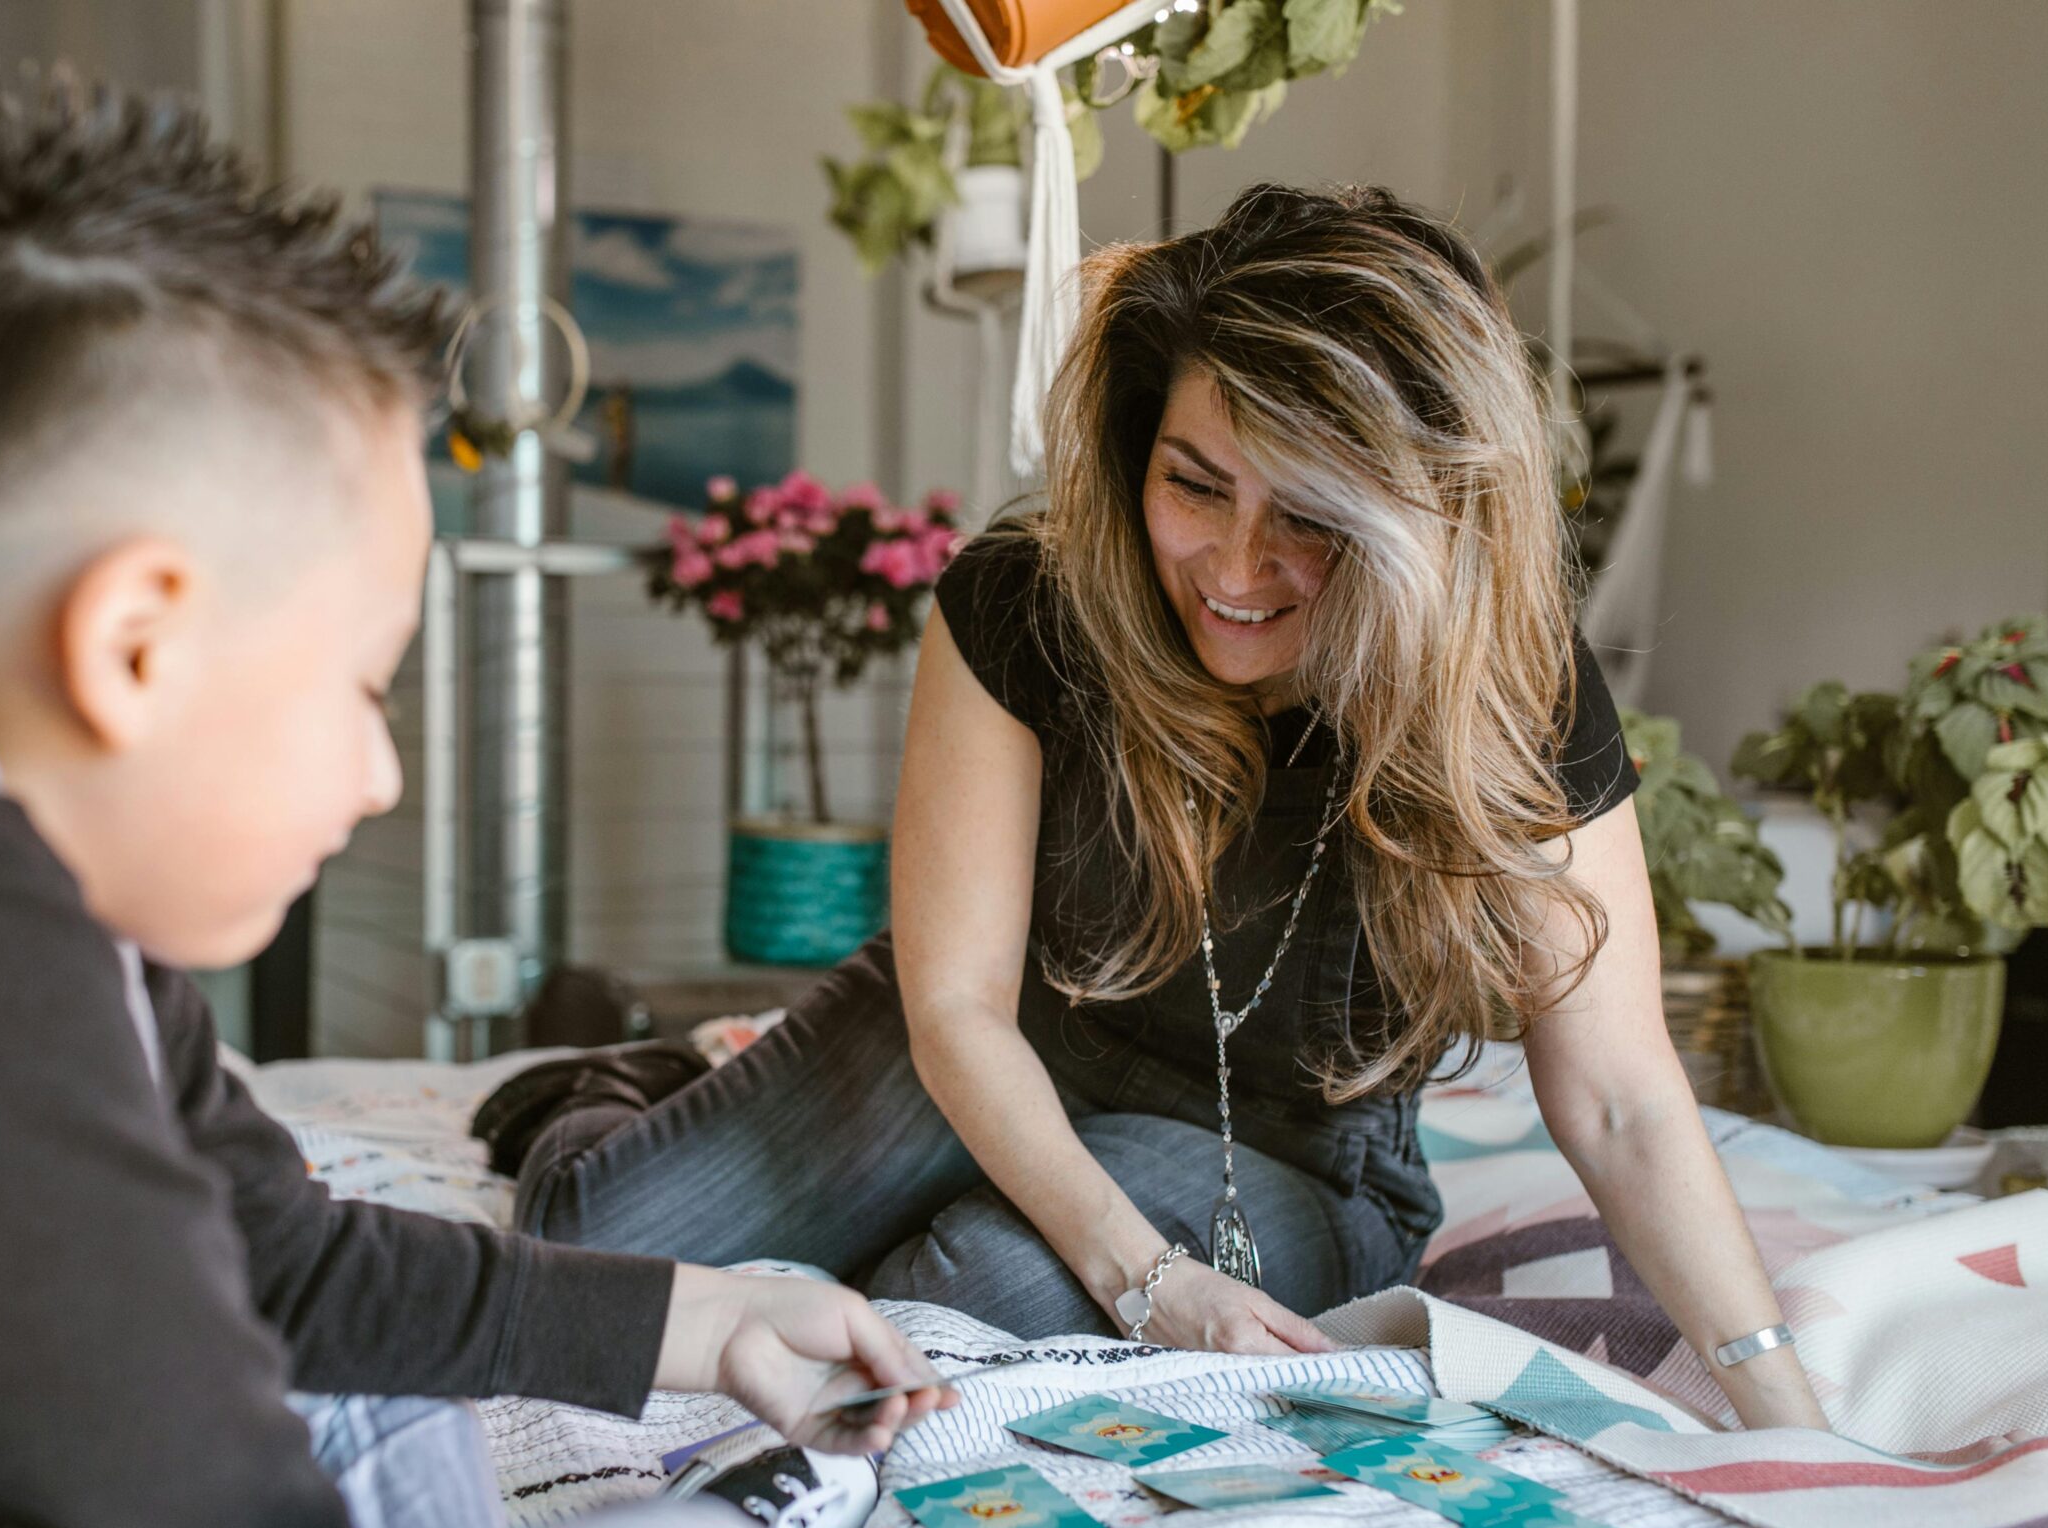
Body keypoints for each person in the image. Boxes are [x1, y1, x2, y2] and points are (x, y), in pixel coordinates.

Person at [0, 78, 948, 1528]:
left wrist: (696, 1322)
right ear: (135, 645)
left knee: (382, 1371)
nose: (382, 777)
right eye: (363, 687)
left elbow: (276, 1266)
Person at [509, 184, 1828, 1433]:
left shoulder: (1512, 682)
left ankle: (966, 1182)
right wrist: (1143, 1278)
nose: (1237, 568)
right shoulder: (1025, 601)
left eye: (1309, 517)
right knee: (579, 1250)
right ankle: (663, 1076)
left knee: (951, 1302)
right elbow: (958, 1007)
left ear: (1414, 521)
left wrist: (1787, 1415)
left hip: (1288, 1154)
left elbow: (1618, 1100)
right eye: (1196, 483)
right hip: (1000, 1034)